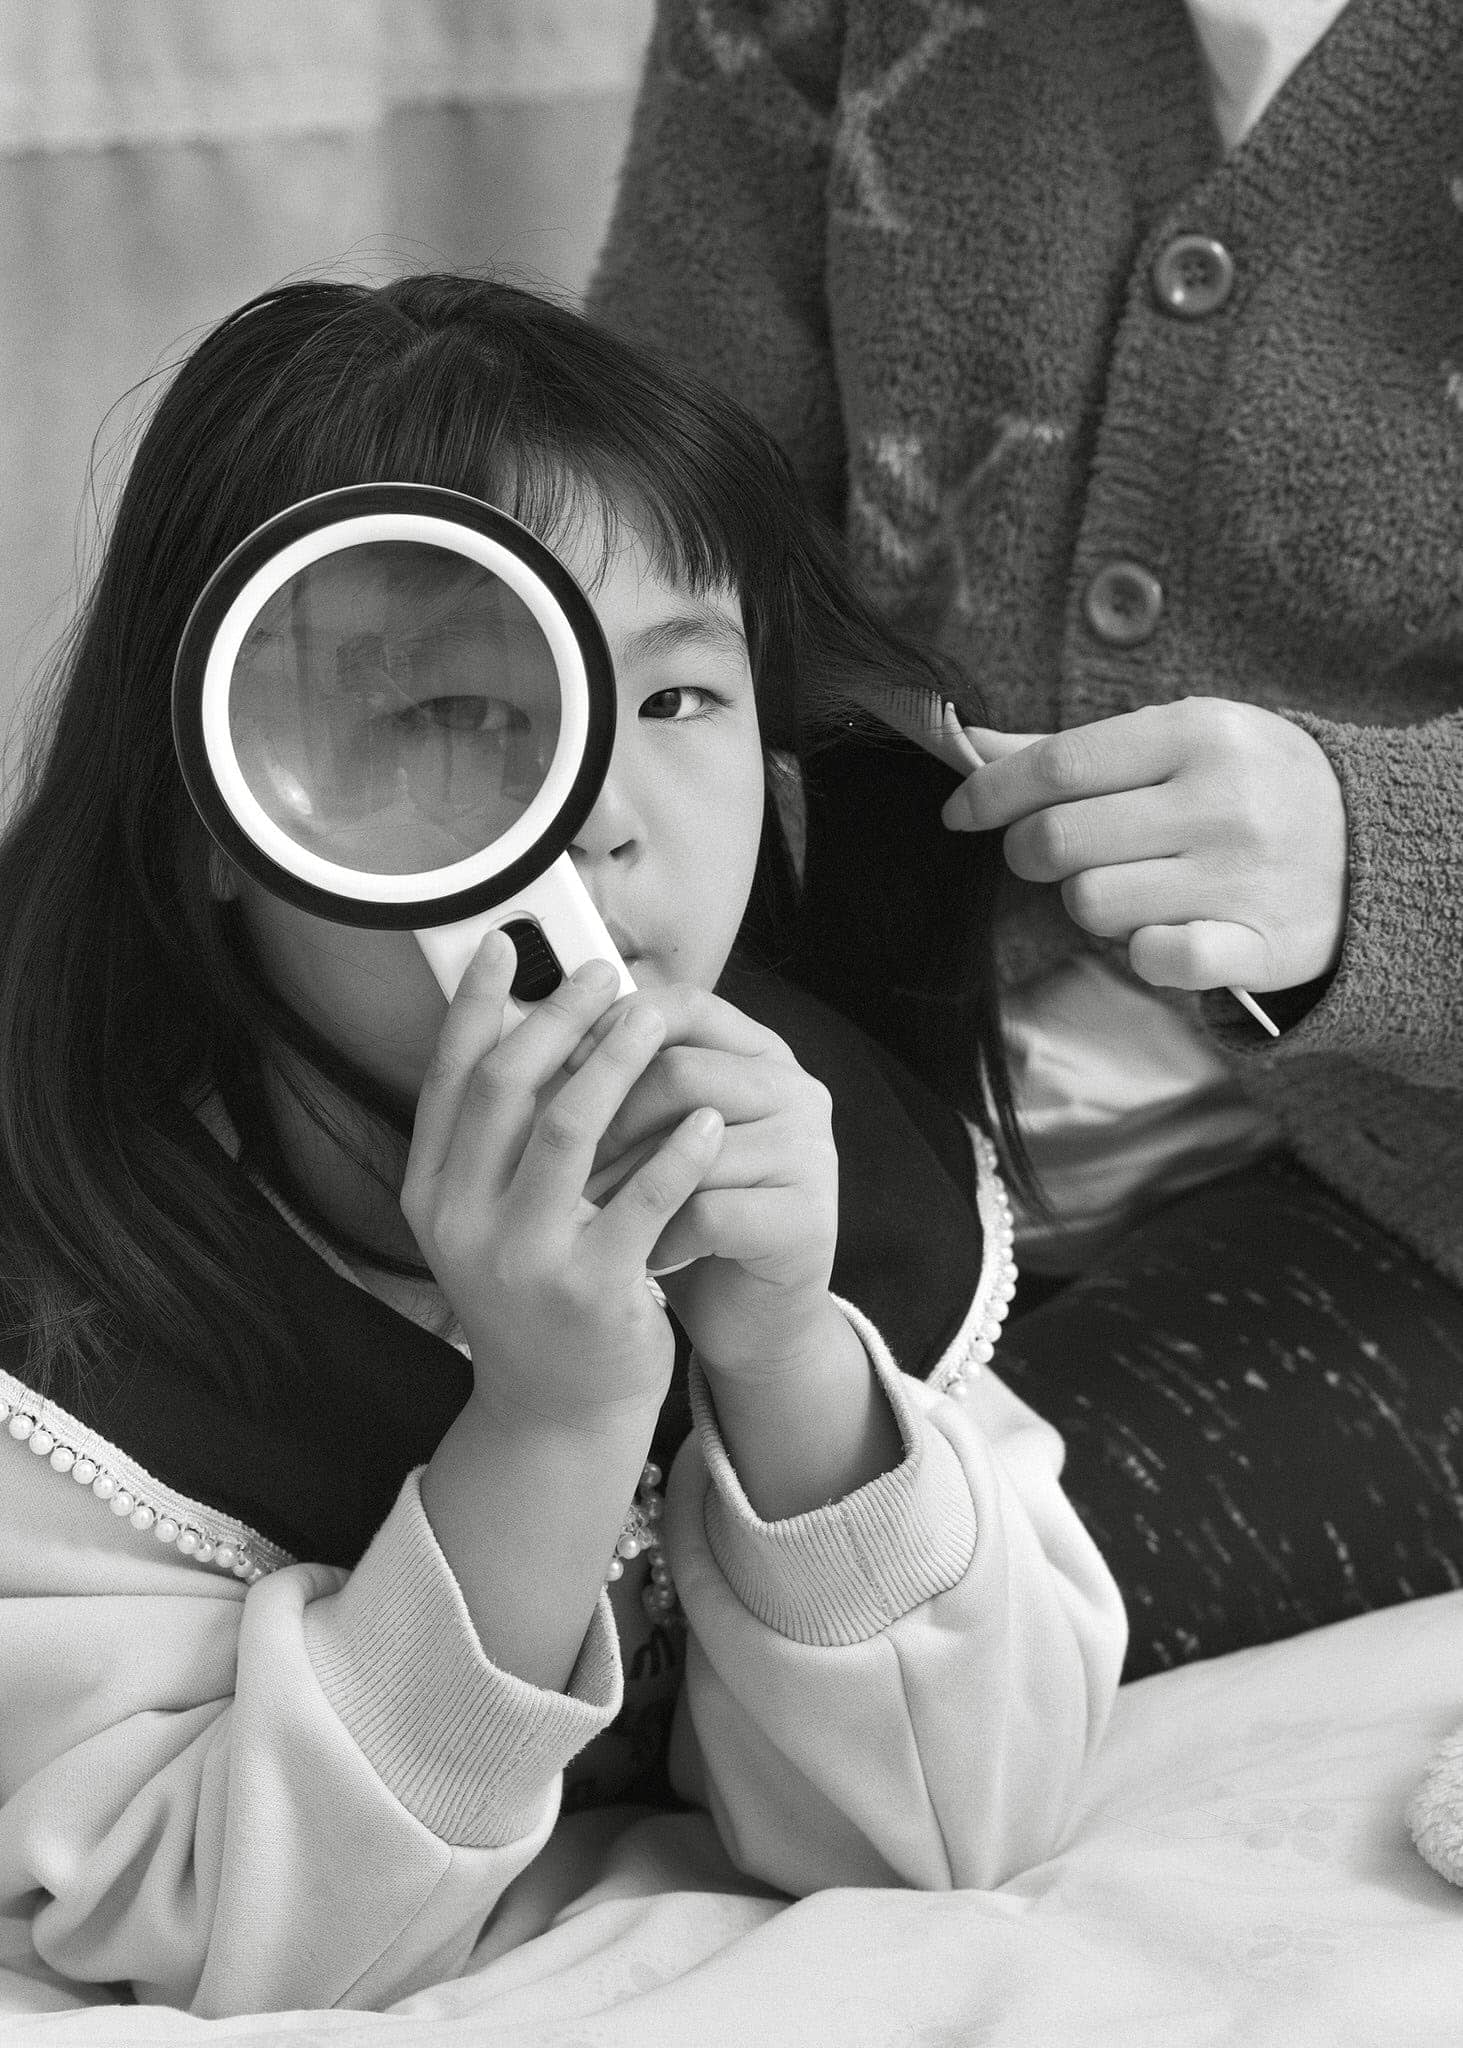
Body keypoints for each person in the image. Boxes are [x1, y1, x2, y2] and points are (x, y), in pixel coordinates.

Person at [0, 274, 1123, 2016]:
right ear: (219, 808)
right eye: (455, 715)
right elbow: (217, 1938)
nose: (596, 814)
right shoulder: (76, 1334)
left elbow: (959, 1825)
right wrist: (550, 1423)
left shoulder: (819, 1141)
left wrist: (785, 1356)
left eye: (675, 703)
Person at [590, 0, 1463, 1679]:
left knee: (821, 1637)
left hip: (1411, 1210)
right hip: (860, 1094)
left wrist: (1386, 858)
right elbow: (652, 517)